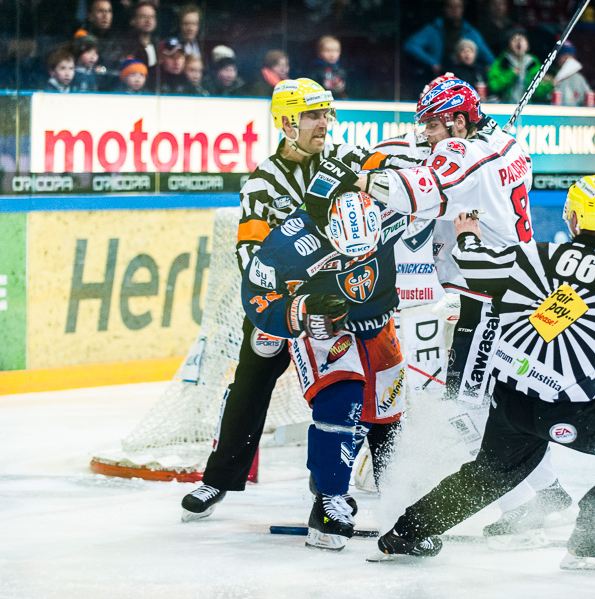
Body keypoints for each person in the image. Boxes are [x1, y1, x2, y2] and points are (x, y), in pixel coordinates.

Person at [370, 176, 595, 569]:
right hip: (571, 410)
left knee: (487, 476)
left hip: (510, 400)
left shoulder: (536, 254)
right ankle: (590, 535)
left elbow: (476, 269)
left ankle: (404, 534)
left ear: (574, 219)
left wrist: (467, 235)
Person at [179, 78, 420, 523]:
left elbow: (402, 179)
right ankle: (219, 478)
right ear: (287, 123)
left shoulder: (349, 159)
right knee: (249, 385)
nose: (323, 123)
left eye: (326, 113)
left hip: (347, 299)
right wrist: (288, 300)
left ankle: (378, 487)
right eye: (312, 116)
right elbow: (249, 253)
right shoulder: (262, 183)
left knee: (371, 389)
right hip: (287, 304)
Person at [360, 75, 574, 543]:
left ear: (459, 120)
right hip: (524, 293)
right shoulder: (509, 144)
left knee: (467, 409)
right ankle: (548, 494)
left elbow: (417, 191)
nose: (427, 135)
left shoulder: (465, 153)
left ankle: (532, 497)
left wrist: (360, 179)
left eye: (435, 125)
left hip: (489, 301)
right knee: (506, 406)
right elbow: (470, 182)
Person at [240, 190, 411, 549]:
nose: (361, 256)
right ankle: (329, 502)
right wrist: (301, 309)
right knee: (340, 398)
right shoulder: (291, 242)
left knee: (386, 417)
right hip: (323, 324)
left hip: (379, 323)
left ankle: (400, 504)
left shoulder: (395, 208)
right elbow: (255, 294)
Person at [403, 0, 495, 81]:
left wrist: (483, 69)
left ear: (462, 9)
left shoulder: (470, 31)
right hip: (438, 77)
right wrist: (432, 62)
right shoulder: (434, 29)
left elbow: (490, 59)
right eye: (451, 6)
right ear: (444, 8)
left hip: (465, 79)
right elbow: (410, 45)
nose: (454, 10)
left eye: (458, 6)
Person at [487, 28, 553, 104]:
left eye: (522, 40)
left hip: (528, 109)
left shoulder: (534, 64)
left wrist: (548, 85)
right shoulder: (501, 63)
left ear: (528, 45)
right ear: (508, 45)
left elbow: (538, 93)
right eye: (514, 40)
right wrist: (511, 74)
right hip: (505, 108)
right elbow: (494, 86)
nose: (518, 43)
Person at [551, 42, 592, 107]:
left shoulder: (579, 78)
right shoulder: (550, 75)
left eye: (570, 55)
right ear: (557, 58)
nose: (567, 59)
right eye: (564, 55)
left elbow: (588, 98)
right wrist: (554, 82)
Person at [122, 1, 158, 69]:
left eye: (152, 17)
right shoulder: (125, 46)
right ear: (133, 21)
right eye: (143, 16)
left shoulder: (158, 46)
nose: (148, 20)